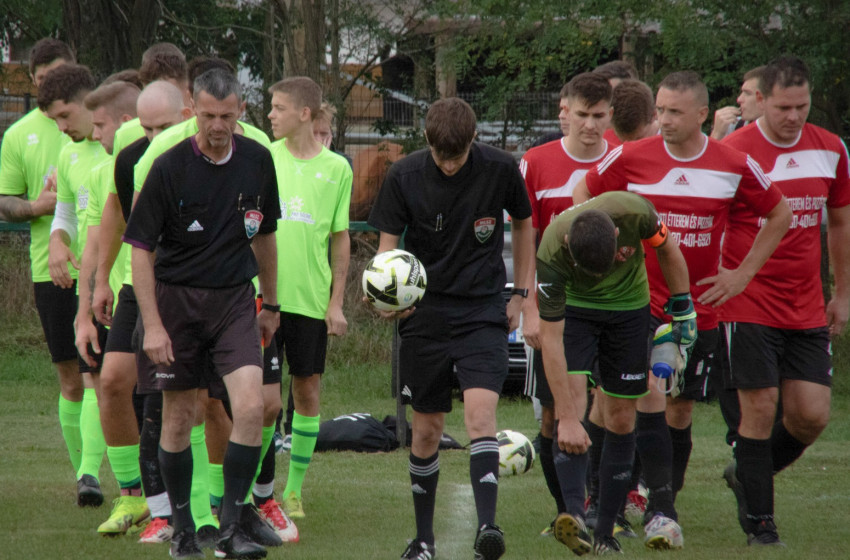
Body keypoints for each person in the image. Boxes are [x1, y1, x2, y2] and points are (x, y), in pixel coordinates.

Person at [573, 70, 791, 551]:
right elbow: (584, 195)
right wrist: (608, 245)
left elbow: (780, 213)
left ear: (700, 114)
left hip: (696, 311)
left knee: (680, 408)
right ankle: (624, 507)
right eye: (659, 110)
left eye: (673, 112)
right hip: (634, 305)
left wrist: (742, 274)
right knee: (631, 398)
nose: (662, 119)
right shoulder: (631, 155)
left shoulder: (732, 163)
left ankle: (656, 504)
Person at [368, 97, 536, 560]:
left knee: (481, 415)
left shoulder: (501, 169)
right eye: (441, 156)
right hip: (425, 314)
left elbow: (524, 224)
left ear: (473, 140)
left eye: (457, 156)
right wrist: (387, 296)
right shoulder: (404, 175)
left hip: (483, 309)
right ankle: (423, 541)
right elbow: (387, 249)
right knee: (426, 431)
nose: (447, 164)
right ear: (426, 140)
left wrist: (520, 294)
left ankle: (488, 531)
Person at [124, 68, 281, 559]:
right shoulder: (168, 167)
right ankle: (185, 528)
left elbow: (266, 236)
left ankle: (232, 528)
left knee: (251, 407)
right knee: (178, 417)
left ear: (241, 112)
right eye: (209, 115)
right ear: (192, 108)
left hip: (235, 299)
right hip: (176, 303)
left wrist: (271, 303)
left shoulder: (258, 160)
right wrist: (151, 324)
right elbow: (140, 252)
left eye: (227, 116)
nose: (217, 125)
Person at [720, 55, 850, 546]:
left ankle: (746, 475)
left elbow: (839, 221)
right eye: (782, 108)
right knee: (760, 406)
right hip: (747, 299)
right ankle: (761, 524)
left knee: (811, 415)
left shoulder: (831, 149)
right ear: (761, 101)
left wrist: (842, 292)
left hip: (806, 302)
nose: (793, 116)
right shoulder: (736, 151)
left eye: (802, 106)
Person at [535, 191, 692, 556]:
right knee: (572, 403)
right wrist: (567, 418)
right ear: (569, 245)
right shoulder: (551, 253)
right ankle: (574, 517)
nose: (599, 275)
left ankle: (606, 532)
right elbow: (552, 341)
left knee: (622, 417)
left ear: (619, 237)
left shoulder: (636, 212)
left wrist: (683, 306)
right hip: (576, 311)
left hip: (628, 309)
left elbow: (667, 250)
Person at [517, 72, 613, 537]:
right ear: (563, 112)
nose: (590, 125)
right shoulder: (535, 163)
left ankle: (601, 508)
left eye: (599, 116)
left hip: (614, 304)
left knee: (610, 407)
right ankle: (568, 513)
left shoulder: (623, 159)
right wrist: (528, 306)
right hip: (555, 306)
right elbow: (524, 240)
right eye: (582, 115)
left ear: (611, 115)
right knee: (558, 411)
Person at [258, 77, 352, 529]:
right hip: (261, 300)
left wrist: (336, 303)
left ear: (305, 114)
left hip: (310, 304)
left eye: (278, 108)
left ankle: (292, 489)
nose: (270, 115)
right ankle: (257, 489)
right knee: (261, 400)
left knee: (306, 392)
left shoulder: (338, 169)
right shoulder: (262, 158)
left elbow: (340, 240)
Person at [0, 38, 83, 501]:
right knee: (71, 375)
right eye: (42, 79)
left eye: (58, 76)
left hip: (105, 269)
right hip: (46, 271)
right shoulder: (19, 135)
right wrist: (38, 205)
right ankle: (85, 476)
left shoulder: (101, 126)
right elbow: (4, 201)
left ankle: (128, 474)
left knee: (112, 376)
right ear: (32, 83)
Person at [71, 80, 154, 536]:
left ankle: (203, 501)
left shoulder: (184, 148)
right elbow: (104, 229)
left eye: (99, 125)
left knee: (187, 402)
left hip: (184, 292)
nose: (93, 133)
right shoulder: (115, 160)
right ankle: (131, 495)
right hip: (127, 291)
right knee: (113, 381)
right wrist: (92, 296)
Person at [39, 62, 112, 507]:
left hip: (124, 279)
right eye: (55, 121)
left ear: (90, 101)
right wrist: (56, 242)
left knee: (114, 381)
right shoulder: (68, 156)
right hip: (89, 283)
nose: (62, 128)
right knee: (91, 376)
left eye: (66, 116)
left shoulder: (117, 148)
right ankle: (87, 473)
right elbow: (66, 213)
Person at [710, 66, 765, 141]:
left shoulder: (784, 133)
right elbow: (710, 152)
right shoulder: (732, 126)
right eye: (742, 92)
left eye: (747, 93)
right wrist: (717, 134)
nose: (739, 99)